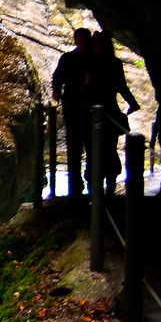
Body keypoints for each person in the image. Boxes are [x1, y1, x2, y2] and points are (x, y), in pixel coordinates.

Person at [89, 31, 140, 195]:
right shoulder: (88, 62)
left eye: (102, 45)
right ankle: (95, 188)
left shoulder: (114, 63)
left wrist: (132, 103)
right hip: (91, 112)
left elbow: (121, 86)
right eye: (96, 45)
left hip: (109, 110)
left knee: (109, 149)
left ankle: (109, 187)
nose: (99, 48)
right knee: (93, 150)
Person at [52, 29, 94, 198]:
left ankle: (92, 183)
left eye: (85, 39)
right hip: (73, 109)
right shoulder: (67, 58)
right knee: (74, 149)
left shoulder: (95, 59)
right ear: (75, 40)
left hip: (91, 109)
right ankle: (75, 188)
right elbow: (57, 77)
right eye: (80, 39)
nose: (83, 41)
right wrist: (56, 91)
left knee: (92, 148)